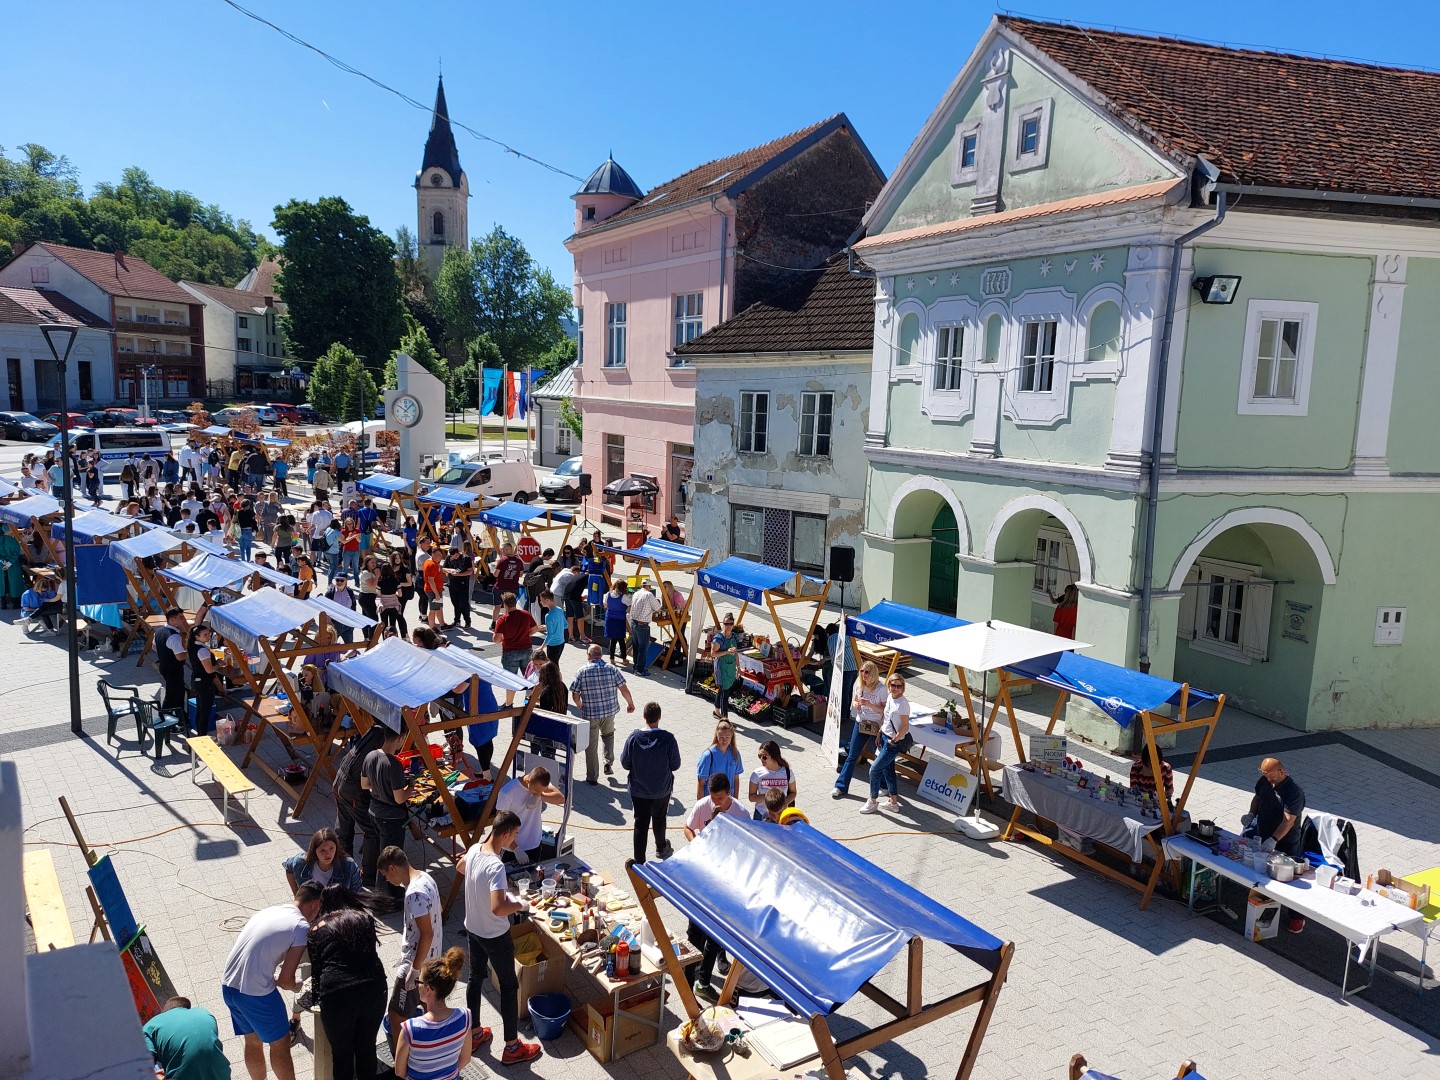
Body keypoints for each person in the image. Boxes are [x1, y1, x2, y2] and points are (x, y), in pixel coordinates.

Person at [460, 811, 543, 1065]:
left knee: (475, 978)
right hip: (495, 934)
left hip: (473, 927)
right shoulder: (496, 866)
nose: (514, 840)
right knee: (509, 988)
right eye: (515, 835)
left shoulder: (475, 849)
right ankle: (512, 1047)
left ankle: (474, 1034)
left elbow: (460, 867)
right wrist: (520, 905)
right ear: (505, 834)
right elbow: (498, 908)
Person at [221, 883, 321, 1080]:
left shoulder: (270, 911)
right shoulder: (300, 927)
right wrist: (300, 986)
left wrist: (272, 977)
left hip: (228, 985)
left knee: (252, 1040)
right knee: (280, 1043)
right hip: (256, 994)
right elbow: (286, 981)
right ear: (315, 904)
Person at [305, 884, 386, 1080]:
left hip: (337, 995)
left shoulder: (316, 929)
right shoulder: (364, 918)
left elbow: (317, 970)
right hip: (373, 989)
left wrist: (315, 998)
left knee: (342, 1056)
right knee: (366, 1049)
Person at [377, 846, 442, 1053]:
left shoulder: (414, 894)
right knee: (429, 1008)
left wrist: (414, 971)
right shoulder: (425, 878)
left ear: (392, 868)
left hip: (418, 962)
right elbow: (438, 911)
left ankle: (401, 1065)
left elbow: (427, 933)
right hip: (433, 960)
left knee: (396, 1013)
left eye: (385, 875)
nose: (387, 880)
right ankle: (431, 1050)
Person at [393, 947, 473, 1080]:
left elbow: (399, 1071)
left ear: (429, 989)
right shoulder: (464, 1017)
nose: (417, 985)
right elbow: (465, 1060)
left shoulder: (410, 1029)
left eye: (418, 981)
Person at [620, 702, 681, 863]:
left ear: (644, 716)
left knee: (640, 822)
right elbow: (675, 765)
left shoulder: (634, 737)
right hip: (662, 789)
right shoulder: (668, 738)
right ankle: (661, 847)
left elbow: (625, 762)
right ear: (659, 717)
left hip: (638, 790)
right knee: (660, 818)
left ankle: (639, 860)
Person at [570, 643, 636, 785]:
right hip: (609, 712)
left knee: (591, 745)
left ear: (588, 655)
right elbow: (624, 689)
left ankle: (592, 777)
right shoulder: (612, 669)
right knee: (608, 736)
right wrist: (630, 703)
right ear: (601, 655)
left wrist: (580, 706)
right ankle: (608, 762)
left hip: (591, 714)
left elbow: (575, 695)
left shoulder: (582, 671)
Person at [362, 726, 414, 901]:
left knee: (380, 850)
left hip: (374, 811)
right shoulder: (394, 764)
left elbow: (365, 785)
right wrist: (411, 787)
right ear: (400, 738)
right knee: (391, 859)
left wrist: (380, 788)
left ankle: (382, 888)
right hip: (391, 817)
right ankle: (384, 897)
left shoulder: (370, 756)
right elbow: (400, 799)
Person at [333, 724, 386, 890]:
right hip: (351, 790)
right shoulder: (379, 744)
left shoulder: (373, 731)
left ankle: (342, 867)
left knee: (344, 827)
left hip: (340, 782)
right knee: (373, 830)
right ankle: (368, 875)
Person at [834, 661, 887, 799]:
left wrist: (870, 704)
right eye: (862, 671)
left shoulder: (881, 689)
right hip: (861, 723)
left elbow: (885, 710)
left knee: (878, 756)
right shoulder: (859, 684)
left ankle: (884, 786)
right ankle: (840, 786)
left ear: (873, 673)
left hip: (876, 726)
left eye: (867, 672)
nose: (863, 674)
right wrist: (856, 703)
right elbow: (854, 699)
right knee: (852, 755)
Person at [143, 996, 230, 1080]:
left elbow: (143, 1067)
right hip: (221, 1072)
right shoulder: (204, 1013)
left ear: (164, 1012)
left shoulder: (150, 1027)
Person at [862, 673, 911, 815]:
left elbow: (905, 727)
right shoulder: (890, 697)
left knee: (874, 770)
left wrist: (894, 740)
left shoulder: (903, 704)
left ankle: (872, 801)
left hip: (892, 743)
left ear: (903, 688)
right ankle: (893, 803)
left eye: (899, 686)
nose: (895, 688)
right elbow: (887, 718)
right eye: (893, 685)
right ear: (888, 686)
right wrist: (880, 734)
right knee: (888, 771)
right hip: (884, 737)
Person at [494, 766, 565, 864]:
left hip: (535, 844)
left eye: (542, 790)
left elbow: (561, 798)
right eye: (536, 791)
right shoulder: (507, 792)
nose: (538, 792)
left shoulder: (539, 785)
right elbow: (500, 825)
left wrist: (540, 796)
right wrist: (516, 849)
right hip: (511, 849)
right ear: (528, 781)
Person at [1247, 757, 1305, 858]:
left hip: (1285, 842)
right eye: (1265, 775)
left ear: (1281, 771)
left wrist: (1273, 839)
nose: (1269, 779)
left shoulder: (1294, 792)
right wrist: (1251, 813)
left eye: (1272, 776)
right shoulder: (1264, 781)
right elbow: (1257, 798)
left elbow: (1288, 821)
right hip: (1263, 834)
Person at [283, 828, 364, 895]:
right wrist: (296, 894)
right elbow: (288, 867)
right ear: (314, 851)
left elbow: (357, 892)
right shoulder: (301, 862)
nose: (328, 854)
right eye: (322, 850)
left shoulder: (349, 865)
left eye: (331, 848)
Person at [492, 592, 536, 704]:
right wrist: (527, 634)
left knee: (511, 679)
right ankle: (532, 701)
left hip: (510, 652)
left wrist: (502, 637)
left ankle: (509, 703)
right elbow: (534, 629)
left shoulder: (503, 620)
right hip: (526, 650)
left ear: (505, 605)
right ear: (515, 603)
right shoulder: (525, 614)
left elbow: (496, 640)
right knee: (530, 677)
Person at [684, 772, 750, 842]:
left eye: (719, 798)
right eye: (712, 797)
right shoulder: (701, 805)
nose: (716, 801)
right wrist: (695, 845)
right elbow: (688, 828)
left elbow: (748, 837)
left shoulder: (742, 813)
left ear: (728, 792)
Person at [695, 719, 744, 801]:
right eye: (721, 737)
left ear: (732, 736)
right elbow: (701, 782)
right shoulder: (708, 756)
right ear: (716, 736)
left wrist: (735, 801)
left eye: (727, 737)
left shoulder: (735, 754)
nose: (724, 740)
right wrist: (701, 805)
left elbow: (736, 779)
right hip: (712, 801)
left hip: (728, 800)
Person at [188, 624, 222, 736]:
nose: (208, 637)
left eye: (209, 634)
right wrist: (219, 665)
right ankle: (202, 736)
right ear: (197, 637)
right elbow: (209, 670)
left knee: (200, 710)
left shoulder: (193, 646)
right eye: (205, 635)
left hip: (196, 681)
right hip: (204, 683)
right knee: (205, 712)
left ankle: (200, 733)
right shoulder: (202, 650)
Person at [748, 741, 797, 820]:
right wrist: (768, 798)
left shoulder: (787, 772)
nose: (761, 759)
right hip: (761, 813)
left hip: (781, 815)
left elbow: (793, 792)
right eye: (759, 756)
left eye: (764, 757)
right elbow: (751, 797)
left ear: (774, 756)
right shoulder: (757, 773)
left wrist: (783, 803)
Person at [155, 608, 190, 717]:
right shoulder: (174, 636)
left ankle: (180, 716)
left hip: (164, 666)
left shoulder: (159, 631)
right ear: (172, 620)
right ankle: (165, 718)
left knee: (177, 692)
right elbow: (180, 656)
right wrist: (190, 652)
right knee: (173, 694)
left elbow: (153, 646)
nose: (183, 620)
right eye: (181, 617)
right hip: (173, 669)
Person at [627, 579, 661, 676]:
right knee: (643, 647)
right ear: (649, 586)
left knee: (636, 646)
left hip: (634, 622)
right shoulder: (649, 595)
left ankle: (636, 666)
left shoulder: (636, 593)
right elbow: (658, 608)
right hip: (642, 624)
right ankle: (639, 669)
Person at [710, 615, 739, 720]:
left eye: (730, 624)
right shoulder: (719, 639)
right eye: (726, 624)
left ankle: (716, 711)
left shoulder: (734, 637)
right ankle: (725, 719)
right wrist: (726, 652)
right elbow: (713, 654)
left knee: (723, 689)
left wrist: (738, 667)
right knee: (725, 694)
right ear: (723, 624)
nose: (728, 626)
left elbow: (736, 653)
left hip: (730, 667)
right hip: (721, 667)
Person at [442, 546, 474, 629]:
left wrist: (459, 574)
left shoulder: (466, 558)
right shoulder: (449, 557)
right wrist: (450, 570)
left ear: (457, 553)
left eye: (455, 555)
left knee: (463, 603)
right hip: (452, 583)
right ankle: (457, 620)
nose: (454, 557)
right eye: (452, 556)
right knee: (455, 602)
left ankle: (467, 621)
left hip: (463, 583)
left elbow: (470, 571)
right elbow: (443, 568)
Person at [602, 580, 630, 664]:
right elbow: (629, 603)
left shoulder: (608, 594)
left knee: (613, 639)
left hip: (610, 618)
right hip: (620, 619)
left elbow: (605, 605)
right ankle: (624, 659)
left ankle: (612, 659)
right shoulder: (624, 597)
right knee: (621, 640)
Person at [538, 588, 566, 664]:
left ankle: (557, 676)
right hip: (561, 642)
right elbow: (565, 625)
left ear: (547, 600)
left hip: (553, 645)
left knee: (552, 667)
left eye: (541, 600)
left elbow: (550, 635)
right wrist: (547, 626)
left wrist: (541, 647)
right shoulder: (560, 609)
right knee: (555, 664)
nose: (540, 602)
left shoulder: (548, 616)